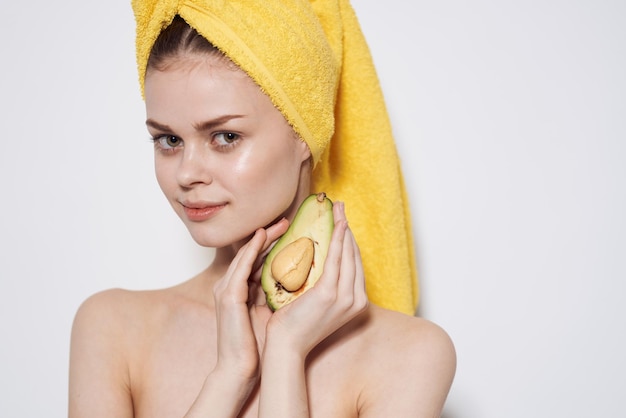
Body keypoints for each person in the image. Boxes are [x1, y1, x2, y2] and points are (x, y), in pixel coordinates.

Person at [69, 1, 456, 417]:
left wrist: (285, 353)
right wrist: (231, 374)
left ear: (305, 132)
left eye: (226, 136)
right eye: (169, 140)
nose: (187, 173)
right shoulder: (112, 328)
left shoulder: (409, 354)